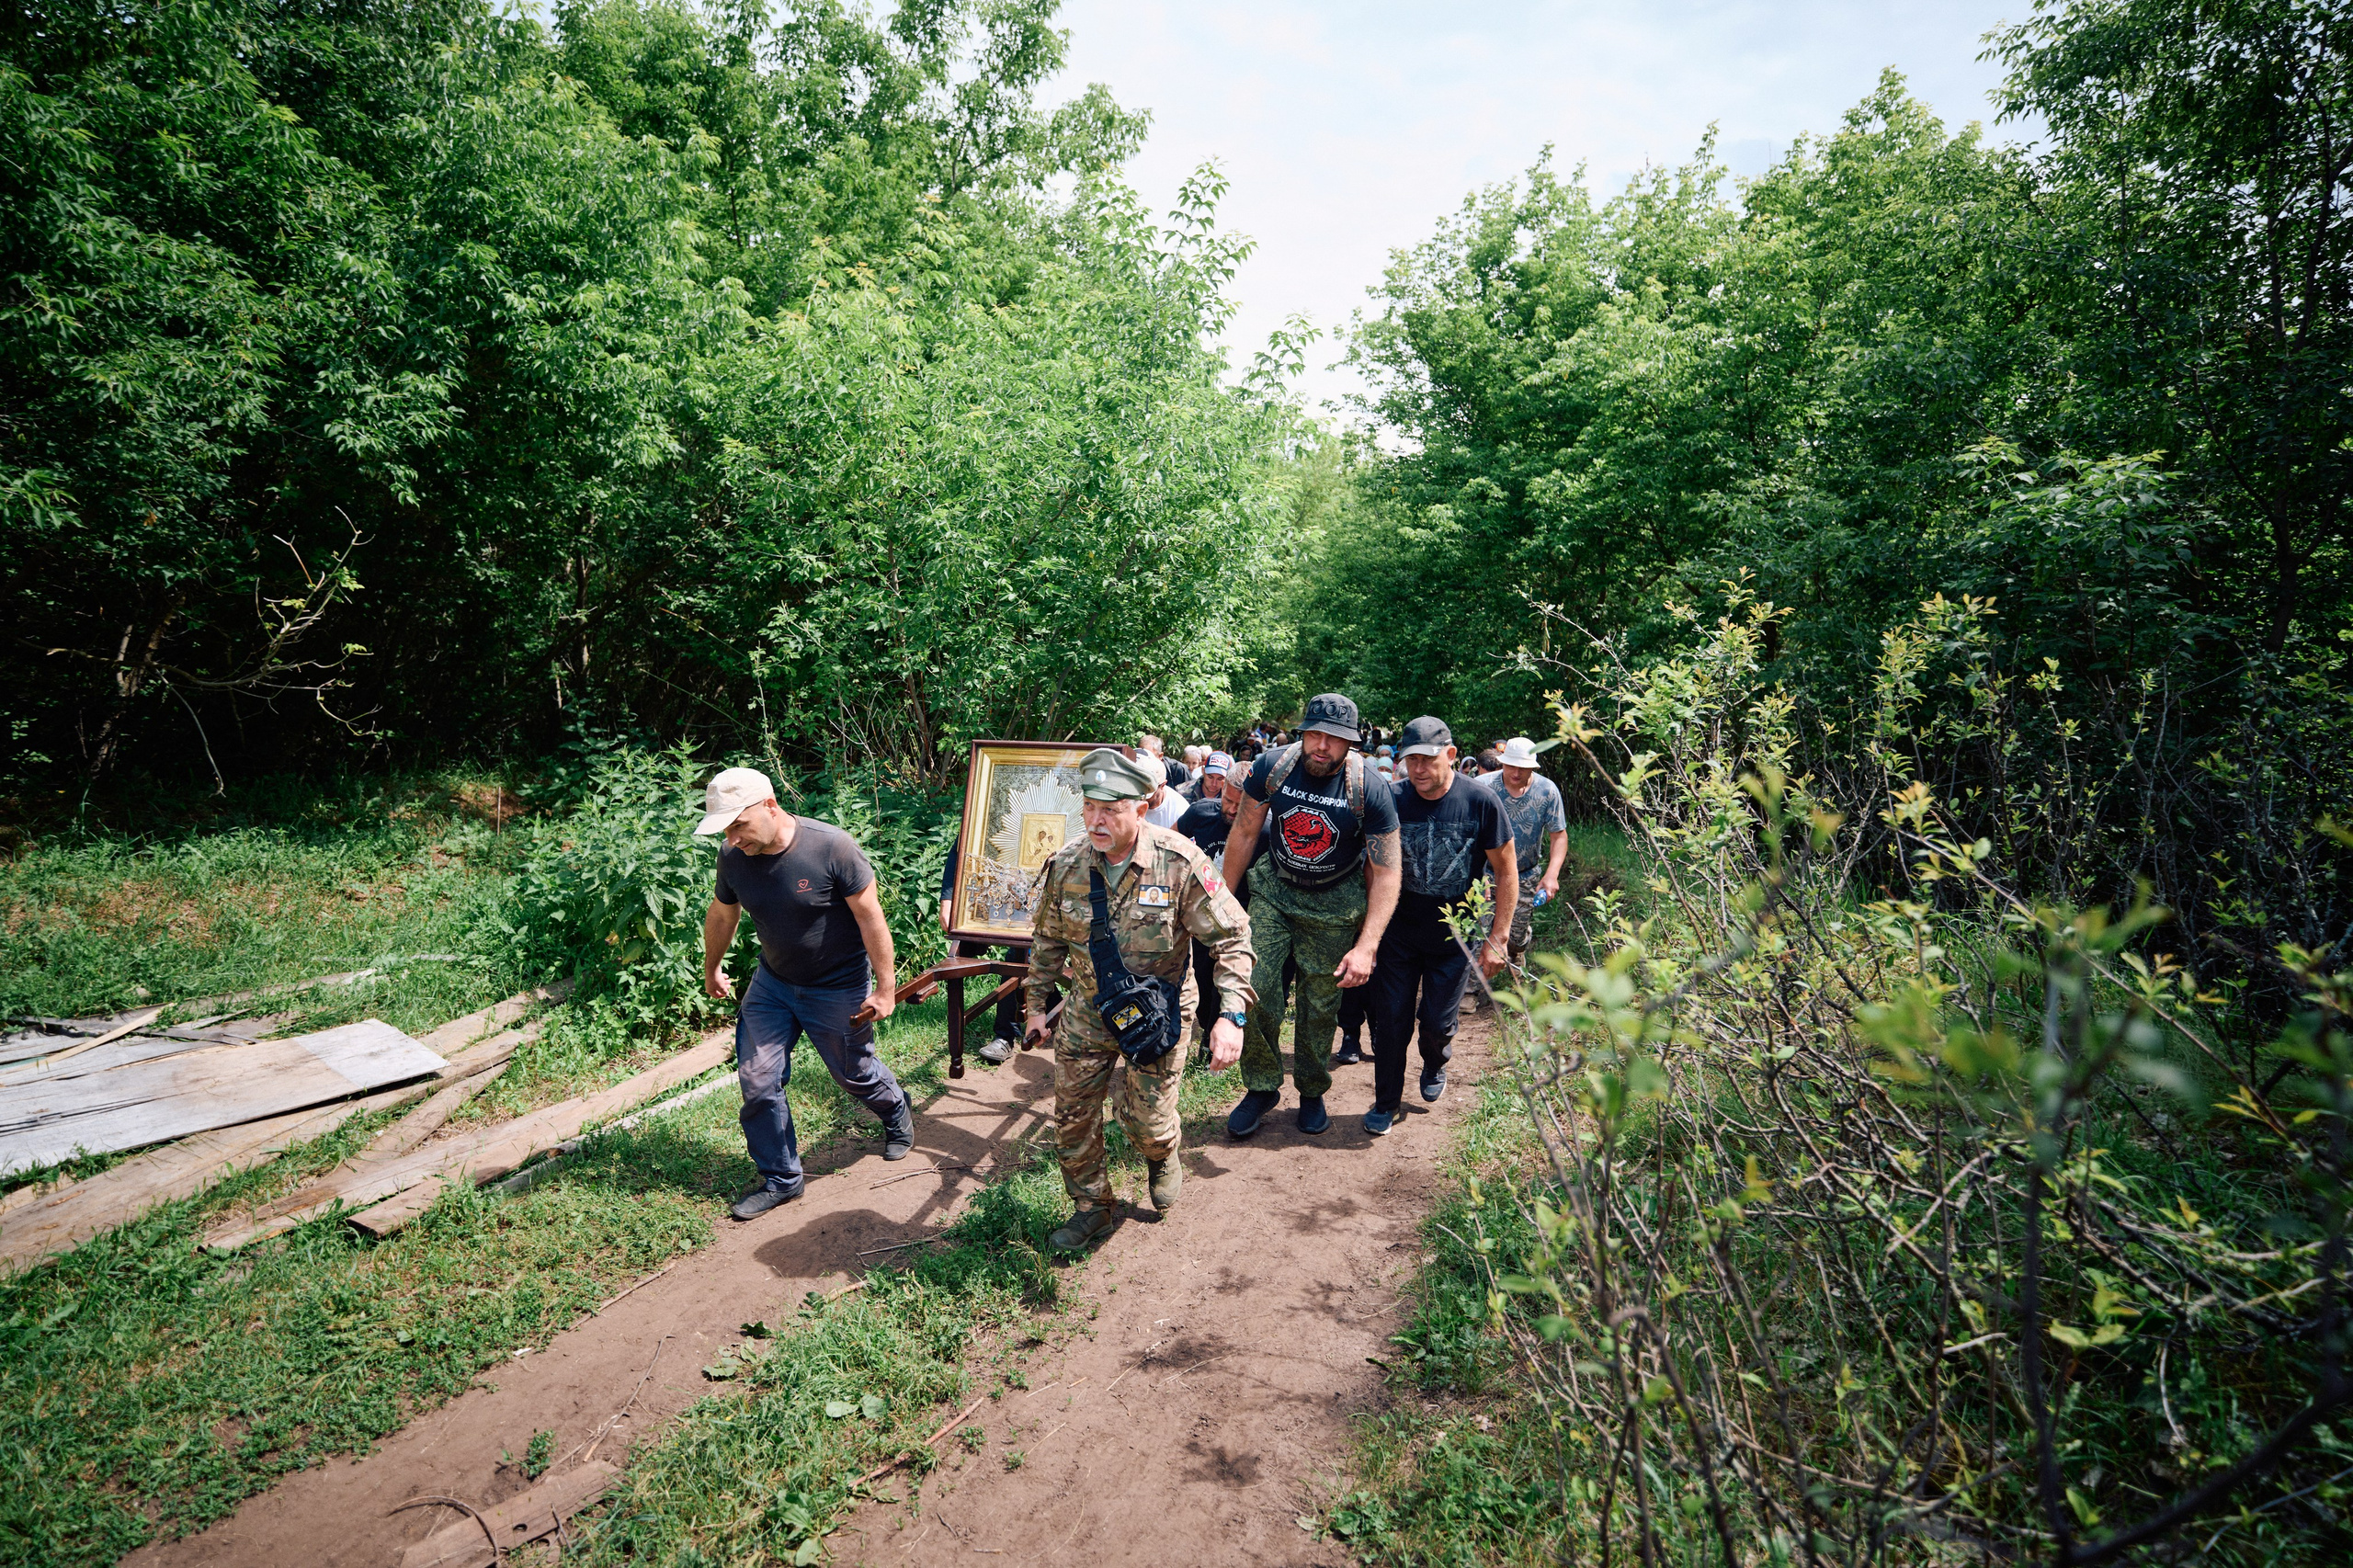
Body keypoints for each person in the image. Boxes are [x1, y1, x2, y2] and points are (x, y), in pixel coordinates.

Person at [1025, 747, 1255, 1250]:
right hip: (1090, 1009)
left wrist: (1231, 1014)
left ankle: (1162, 1150)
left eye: (1111, 809)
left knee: (1144, 1121)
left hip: (1160, 1013)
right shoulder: (1067, 866)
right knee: (1072, 1114)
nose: (1096, 820)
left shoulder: (1178, 862)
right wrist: (1037, 1006)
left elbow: (1232, 936)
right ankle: (1093, 1207)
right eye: (1089, 807)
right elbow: (1046, 942)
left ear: (1143, 807)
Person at [696, 767, 915, 1221]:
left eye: (739, 824)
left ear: (770, 805)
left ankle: (895, 1110)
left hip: (836, 986)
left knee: (853, 1074)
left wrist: (886, 989)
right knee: (758, 1081)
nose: (735, 838)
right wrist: (712, 966)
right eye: (726, 829)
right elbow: (722, 914)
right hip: (773, 984)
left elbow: (871, 918)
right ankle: (782, 1179)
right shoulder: (733, 856)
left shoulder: (831, 847)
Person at [1222, 693, 1401, 1138]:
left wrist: (1367, 945)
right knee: (1253, 985)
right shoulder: (1273, 767)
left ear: (1351, 744)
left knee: (1320, 1004)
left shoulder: (1370, 788)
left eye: (1334, 738)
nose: (1322, 745)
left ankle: (1311, 1089)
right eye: (1314, 734)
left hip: (1336, 901)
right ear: (1303, 734)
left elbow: (1387, 871)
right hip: (1275, 889)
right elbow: (1244, 831)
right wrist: (1223, 904)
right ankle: (1262, 1085)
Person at [1365, 717, 1516, 1136]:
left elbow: (1506, 872)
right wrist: (1370, 934)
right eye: (1410, 760)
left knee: (1434, 1021)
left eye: (1427, 760)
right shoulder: (1392, 800)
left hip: (1455, 936)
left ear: (1450, 756)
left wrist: (1498, 937)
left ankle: (1435, 1060)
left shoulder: (1480, 802)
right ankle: (1386, 1102)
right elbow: (1373, 868)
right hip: (1398, 932)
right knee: (1390, 1019)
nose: (1417, 769)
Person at [1479, 736, 1569, 971]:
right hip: (1486, 873)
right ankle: (1471, 990)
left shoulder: (1547, 791)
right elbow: (1469, 834)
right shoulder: (1483, 787)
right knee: (1480, 933)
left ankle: (1517, 950)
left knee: (1515, 936)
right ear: (1502, 763)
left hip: (1524, 875)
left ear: (1533, 767)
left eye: (1523, 767)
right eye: (1511, 766)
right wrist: (1476, 873)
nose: (1516, 772)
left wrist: (1551, 875)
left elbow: (1558, 835)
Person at [938, 843, 1031, 1065]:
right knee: (964, 949)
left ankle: (1004, 1036)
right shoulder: (985, 811)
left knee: (1018, 957)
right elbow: (961, 846)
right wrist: (948, 899)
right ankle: (1048, 1002)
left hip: (1039, 900)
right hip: (990, 900)